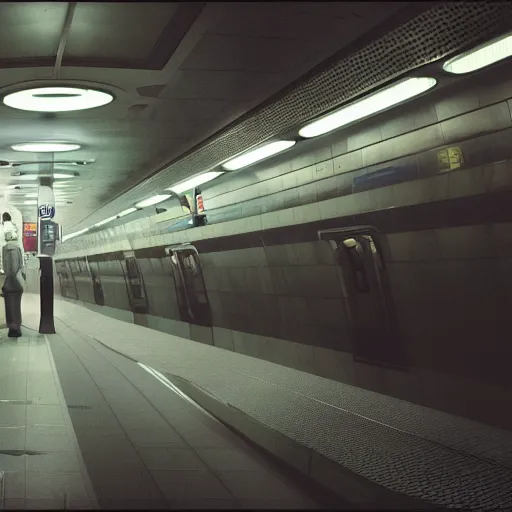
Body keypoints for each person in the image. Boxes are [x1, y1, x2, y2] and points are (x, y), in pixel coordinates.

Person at [2, 230, 25, 337]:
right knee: (16, 306)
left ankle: (12, 328)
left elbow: (6, 267)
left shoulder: (4, 249)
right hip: (15, 282)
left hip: (7, 282)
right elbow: (19, 265)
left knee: (9, 307)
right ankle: (16, 327)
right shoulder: (17, 248)